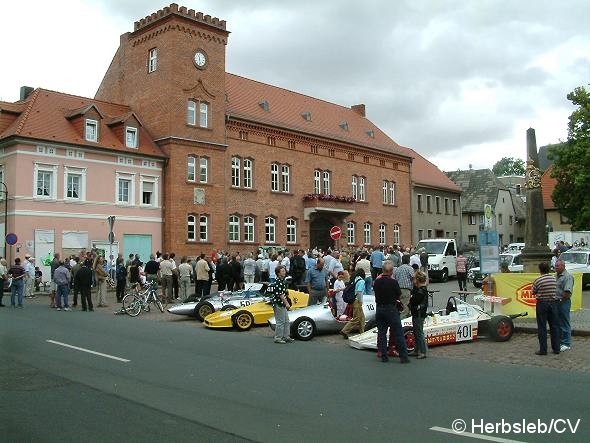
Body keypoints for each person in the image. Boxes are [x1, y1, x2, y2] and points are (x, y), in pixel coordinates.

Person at [373, 261, 410, 363]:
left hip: (380, 308)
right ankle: (403, 357)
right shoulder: (393, 282)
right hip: (391, 308)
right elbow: (398, 294)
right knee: (398, 332)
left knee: (381, 333)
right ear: (391, 271)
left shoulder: (377, 281)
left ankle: (384, 355)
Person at [531, 262, 560, 355]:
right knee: (554, 326)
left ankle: (543, 349)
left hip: (542, 303)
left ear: (540, 270)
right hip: (553, 303)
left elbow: (533, 292)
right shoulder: (553, 279)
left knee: (542, 327)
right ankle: (556, 348)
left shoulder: (538, 280)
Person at [270, 265, 294, 344]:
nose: (284, 272)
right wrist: (287, 303)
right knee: (280, 321)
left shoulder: (282, 281)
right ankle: (278, 337)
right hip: (279, 304)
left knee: (286, 321)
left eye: (284, 271)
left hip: (281, 304)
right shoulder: (278, 282)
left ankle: (286, 336)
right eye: (282, 271)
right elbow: (280, 295)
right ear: (278, 273)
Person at [341, 268, 366, 337]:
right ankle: (344, 330)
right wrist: (360, 301)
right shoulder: (361, 281)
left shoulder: (355, 279)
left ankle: (362, 332)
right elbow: (359, 292)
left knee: (362, 318)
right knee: (357, 318)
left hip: (353, 300)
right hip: (357, 301)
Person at [409, 270, 429, 359]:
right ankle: (417, 350)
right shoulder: (422, 289)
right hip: (419, 313)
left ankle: (423, 351)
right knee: (417, 332)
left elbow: (413, 301)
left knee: (419, 332)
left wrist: (411, 301)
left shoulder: (420, 291)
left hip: (419, 313)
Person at [555, 259, 573, 352]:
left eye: (557, 266)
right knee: (559, 322)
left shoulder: (567, 276)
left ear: (563, 266)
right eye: (555, 266)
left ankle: (566, 343)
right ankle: (561, 341)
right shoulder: (556, 276)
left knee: (565, 322)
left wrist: (561, 300)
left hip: (563, 302)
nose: (556, 267)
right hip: (557, 302)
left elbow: (567, 292)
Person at [395, 254, 415, 318]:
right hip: (406, 289)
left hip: (398, 289)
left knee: (400, 306)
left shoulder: (398, 269)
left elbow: (395, 278)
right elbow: (413, 278)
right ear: (408, 260)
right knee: (405, 307)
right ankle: (403, 322)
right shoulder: (409, 268)